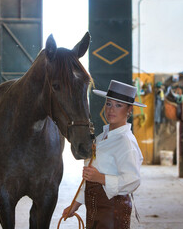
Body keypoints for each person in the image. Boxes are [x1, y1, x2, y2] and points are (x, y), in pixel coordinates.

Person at [62, 80, 146, 228]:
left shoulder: (126, 141)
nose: (111, 110)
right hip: (96, 210)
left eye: (118, 105)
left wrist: (100, 178)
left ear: (129, 110)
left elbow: (133, 179)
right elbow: (89, 178)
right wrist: (74, 205)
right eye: (108, 103)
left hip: (113, 211)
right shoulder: (102, 137)